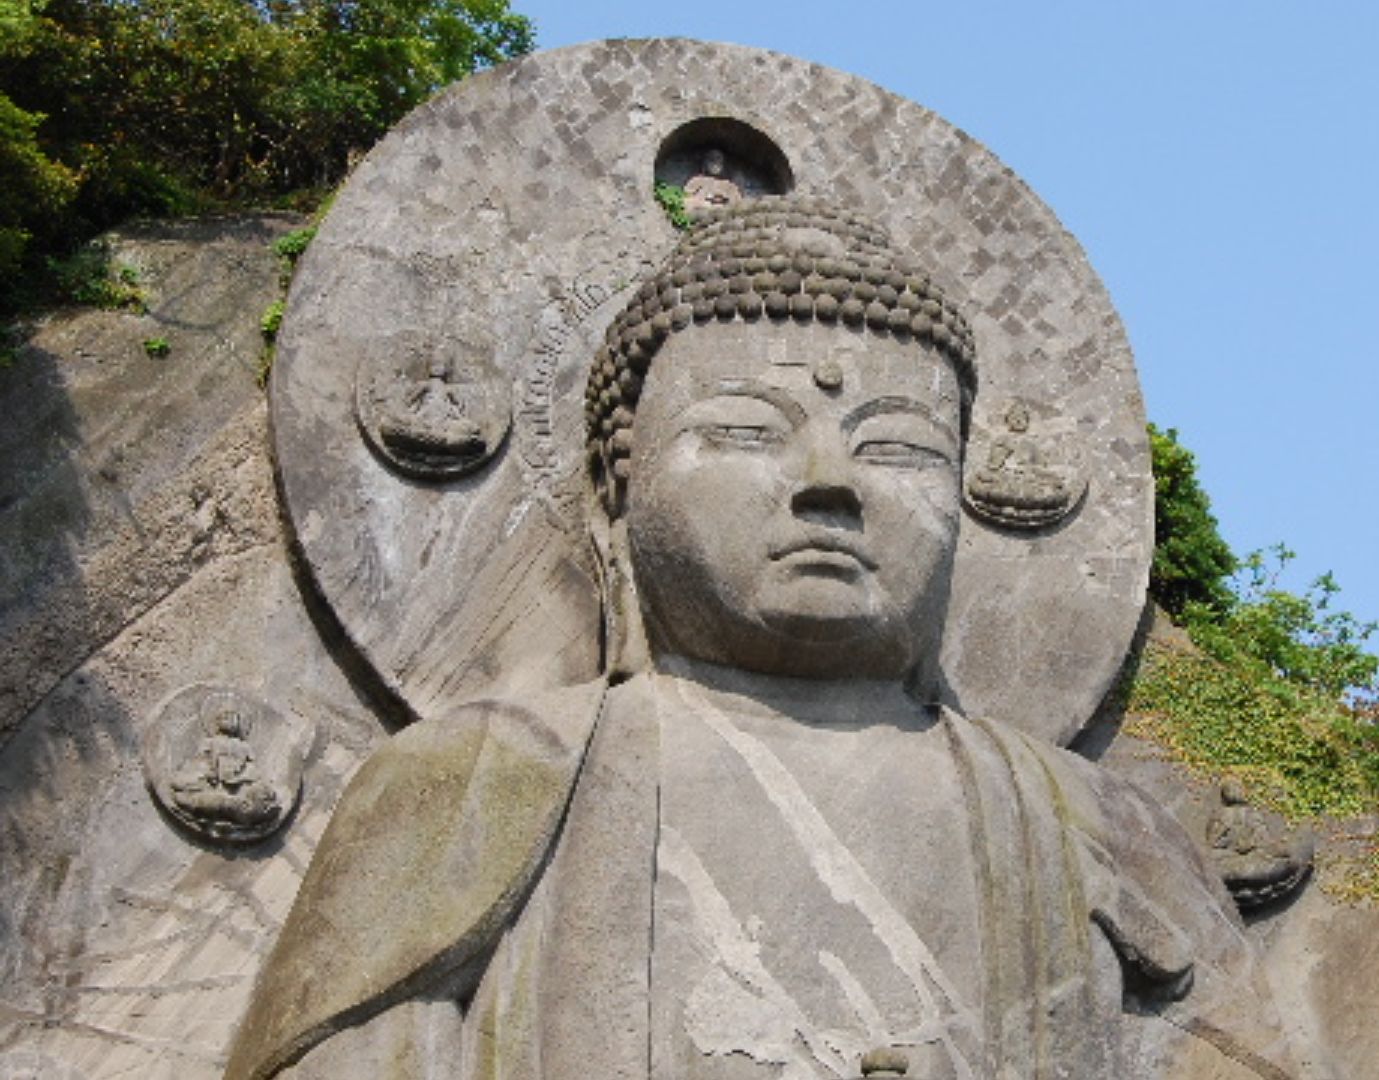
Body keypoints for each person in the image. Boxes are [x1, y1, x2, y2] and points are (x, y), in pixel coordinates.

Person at [226, 199, 1298, 1079]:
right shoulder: (485, 776)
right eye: (744, 432)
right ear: (618, 484)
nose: (828, 483)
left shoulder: (1084, 819)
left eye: (900, 447)